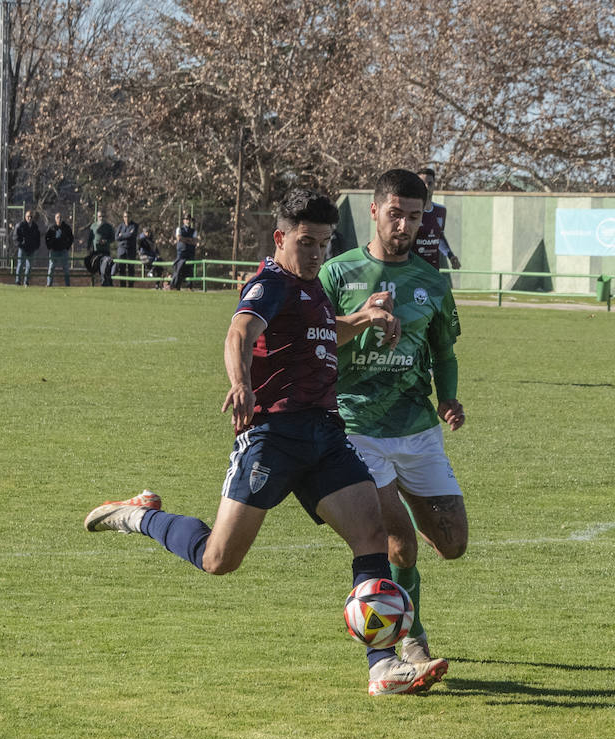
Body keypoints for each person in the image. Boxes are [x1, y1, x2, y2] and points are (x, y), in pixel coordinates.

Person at [82, 188, 448, 696]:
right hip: (273, 437)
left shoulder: (312, 286)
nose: (317, 253)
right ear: (280, 238)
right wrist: (241, 382)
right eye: (306, 243)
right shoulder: (270, 282)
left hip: (326, 435)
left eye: (323, 243)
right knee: (218, 559)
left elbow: (322, 331)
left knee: (372, 537)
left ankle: (381, 665)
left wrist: (361, 318)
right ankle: (138, 515)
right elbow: (239, 332)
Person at [320, 169, 467, 671]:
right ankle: (412, 639)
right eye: (396, 214)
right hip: (357, 427)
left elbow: (444, 352)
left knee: (452, 544)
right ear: (374, 211)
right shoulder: (337, 274)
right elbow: (312, 339)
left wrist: (448, 399)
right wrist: (359, 317)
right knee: (399, 545)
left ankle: (413, 521)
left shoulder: (430, 282)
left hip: (418, 427)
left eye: (415, 216)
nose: (405, 225)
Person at [414, 167, 461, 270]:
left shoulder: (441, 211)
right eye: (423, 183)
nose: (426, 187)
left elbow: (439, 236)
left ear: (434, 185)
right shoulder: (411, 211)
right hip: (413, 269)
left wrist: (450, 256)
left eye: (430, 183)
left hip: (433, 270)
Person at [44, 211, 74, 287]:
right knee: (51, 268)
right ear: (55, 218)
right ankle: (49, 284)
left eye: (60, 217)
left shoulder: (66, 228)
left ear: (62, 218)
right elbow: (46, 238)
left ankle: (68, 285)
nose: (59, 219)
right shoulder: (52, 228)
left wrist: (67, 247)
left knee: (66, 268)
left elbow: (71, 238)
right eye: (57, 217)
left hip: (63, 250)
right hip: (54, 250)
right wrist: (49, 247)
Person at [87, 211, 116, 286]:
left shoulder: (108, 227)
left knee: (105, 269)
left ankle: (106, 284)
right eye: (100, 216)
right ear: (97, 217)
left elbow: (113, 238)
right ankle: (93, 284)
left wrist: (106, 241)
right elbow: (90, 238)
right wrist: (88, 248)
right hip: (96, 252)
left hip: (105, 251)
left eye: (103, 216)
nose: (101, 218)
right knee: (94, 270)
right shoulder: (93, 226)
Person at [13, 210, 41, 286]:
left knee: (29, 266)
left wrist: (36, 246)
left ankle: (26, 282)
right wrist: (20, 245)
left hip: (32, 249)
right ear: (25, 217)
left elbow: (38, 238)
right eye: (28, 216)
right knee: (20, 265)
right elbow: (15, 237)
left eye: (31, 216)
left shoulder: (35, 226)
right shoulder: (20, 225)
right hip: (23, 249)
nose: (29, 218)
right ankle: (18, 281)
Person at [170, 213, 197, 291]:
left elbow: (194, 242)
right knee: (178, 269)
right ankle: (175, 286)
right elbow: (179, 238)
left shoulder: (193, 231)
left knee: (190, 270)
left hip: (190, 252)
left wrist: (184, 239)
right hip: (181, 253)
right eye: (186, 219)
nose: (187, 221)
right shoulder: (179, 229)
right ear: (183, 221)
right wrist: (189, 239)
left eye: (189, 219)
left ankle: (189, 286)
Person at [115, 211, 139, 288]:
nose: (126, 218)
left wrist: (122, 235)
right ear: (123, 217)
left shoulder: (134, 225)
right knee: (121, 268)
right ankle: (122, 286)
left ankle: (131, 286)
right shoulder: (120, 226)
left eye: (128, 216)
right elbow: (116, 237)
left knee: (131, 268)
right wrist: (127, 234)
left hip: (131, 250)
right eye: (125, 217)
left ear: (131, 217)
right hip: (121, 250)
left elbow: (132, 235)